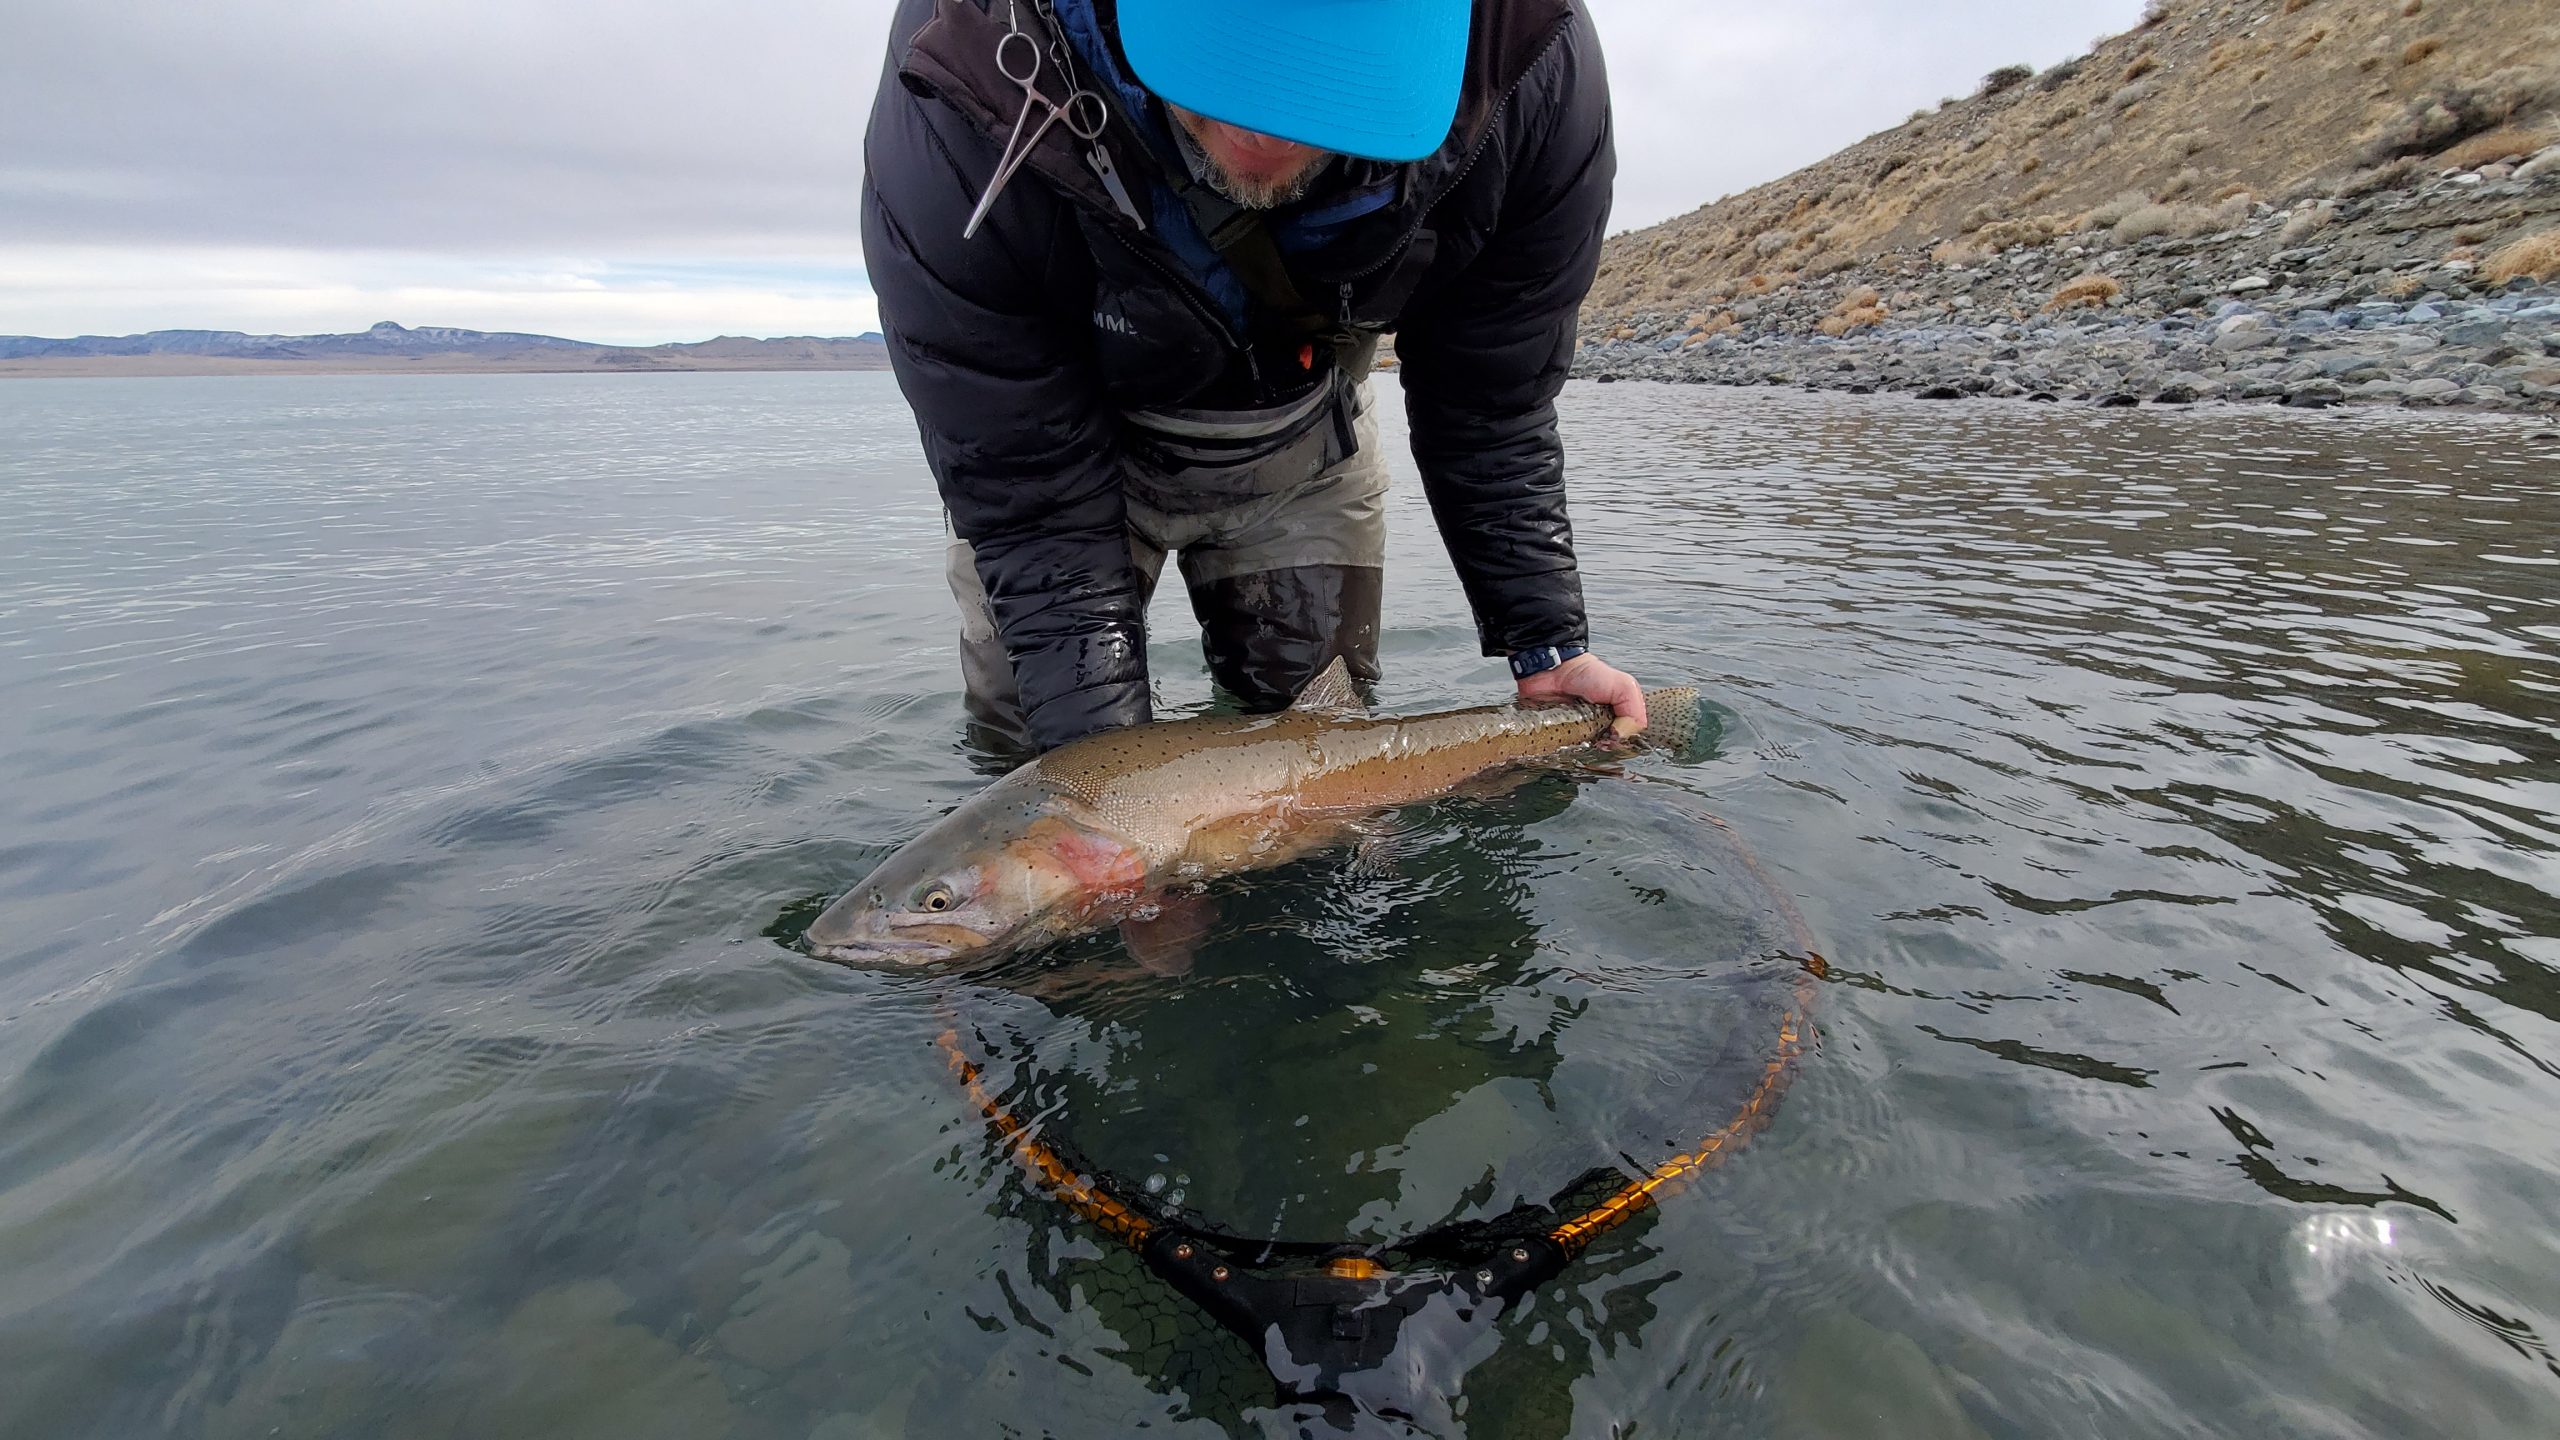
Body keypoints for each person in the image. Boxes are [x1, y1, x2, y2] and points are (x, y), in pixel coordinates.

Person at [861, 0, 1647, 753]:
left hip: (1306, 448)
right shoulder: (961, 71)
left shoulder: (1531, 69)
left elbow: (1490, 400)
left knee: (1318, 739)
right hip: (1063, 454)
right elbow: (1028, 488)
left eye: (1329, 70)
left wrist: (1547, 643)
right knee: (1033, 754)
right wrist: (1103, 801)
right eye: (1230, 50)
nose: (1260, 126)